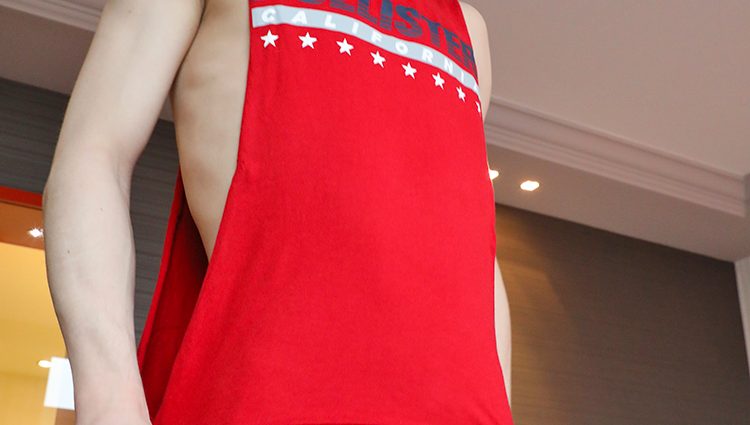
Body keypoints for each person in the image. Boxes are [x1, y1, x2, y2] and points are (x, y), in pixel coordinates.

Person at [42, 0, 513, 423]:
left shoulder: (469, 28)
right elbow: (96, 153)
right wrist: (111, 403)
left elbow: (472, 247)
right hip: (268, 400)